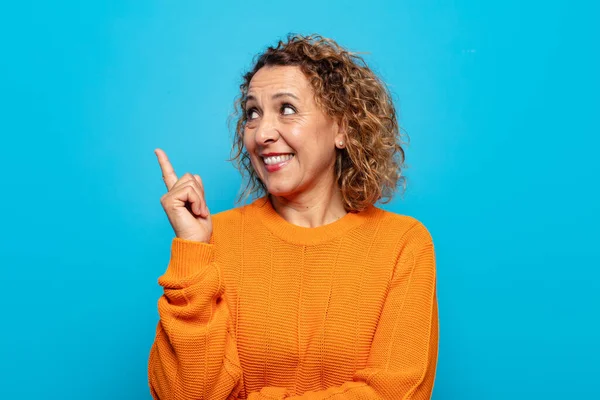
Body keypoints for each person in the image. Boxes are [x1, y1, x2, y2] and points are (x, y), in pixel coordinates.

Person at [148, 34, 438, 400]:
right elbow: (184, 394)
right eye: (253, 113)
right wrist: (192, 250)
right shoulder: (211, 239)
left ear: (342, 128)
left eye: (286, 109)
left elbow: (396, 393)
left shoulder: (403, 244)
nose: (262, 134)